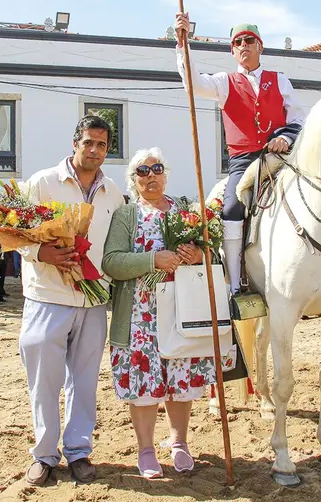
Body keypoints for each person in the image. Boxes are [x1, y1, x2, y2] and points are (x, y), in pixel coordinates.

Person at [102, 147, 233, 479]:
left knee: (180, 378)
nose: (150, 176)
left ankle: (179, 443)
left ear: (165, 173)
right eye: (142, 172)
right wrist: (152, 260)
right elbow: (112, 262)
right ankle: (146, 450)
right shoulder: (126, 215)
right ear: (133, 180)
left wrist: (197, 255)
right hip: (139, 316)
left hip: (182, 310)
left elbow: (214, 259)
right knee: (144, 383)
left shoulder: (186, 211)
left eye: (156, 168)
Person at [17, 115, 125, 486]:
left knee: (85, 380)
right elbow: (15, 233)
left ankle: (79, 450)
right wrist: (40, 253)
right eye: (88, 143)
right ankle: (44, 455)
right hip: (48, 296)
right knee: (44, 381)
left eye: (102, 145)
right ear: (75, 144)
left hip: (94, 302)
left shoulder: (114, 192)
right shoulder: (43, 182)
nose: (94, 151)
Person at [173, 13, 304, 296]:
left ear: (260, 46)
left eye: (249, 40)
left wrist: (284, 137)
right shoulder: (224, 81)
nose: (243, 45)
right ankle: (235, 282)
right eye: (238, 42)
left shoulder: (279, 80)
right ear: (233, 51)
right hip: (244, 160)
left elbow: (297, 119)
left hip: (279, 155)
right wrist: (183, 44)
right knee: (231, 208)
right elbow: (193, 84)